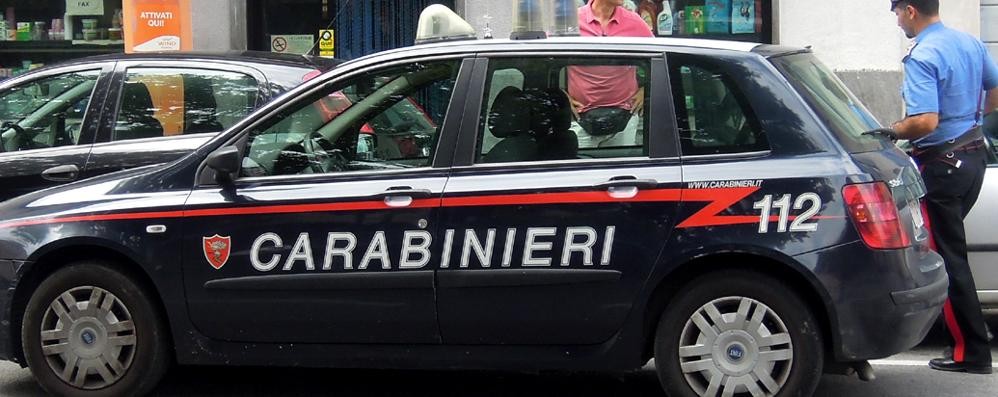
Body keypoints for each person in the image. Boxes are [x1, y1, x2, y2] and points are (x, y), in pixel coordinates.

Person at [888, 0, 998, 374]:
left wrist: (891, 131)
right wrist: (973, 119)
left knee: (949, 259)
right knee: (954, 252)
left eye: (896, 11)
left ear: (910, 11)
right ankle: (974, 345)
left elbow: (925, 121)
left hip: (943, 167)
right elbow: (995, 91)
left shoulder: (922, 55)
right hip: (973, 158)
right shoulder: (969, 42)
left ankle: (972, 352)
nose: (896, 18)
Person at [568, 0, 653, 147]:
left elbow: (658, 58)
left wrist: (647, 89)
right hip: (579, 117)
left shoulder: (634, 22)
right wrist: (560, 96)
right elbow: (542, 61)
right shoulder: (572, 22)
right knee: (582, 169)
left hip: (625, 117)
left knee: (624, 170)